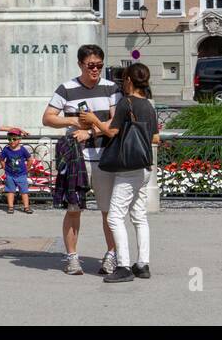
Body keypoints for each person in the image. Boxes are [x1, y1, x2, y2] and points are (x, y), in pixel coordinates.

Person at [43, 44, 119, 276]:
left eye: (99, 65)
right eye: (91, 66)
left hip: (105, 156)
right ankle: (72, 257)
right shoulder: (67, 89)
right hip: (77, 158)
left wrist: (92, 131)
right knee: (74, 209)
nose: (95, 70)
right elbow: (47, 118)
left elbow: (115, 124)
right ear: (80, 64)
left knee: (109, 211)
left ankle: (111, 255)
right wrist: (73, 122)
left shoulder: (111, 88)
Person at [81, 62, 160, 283]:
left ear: (129, 81)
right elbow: (155, 138)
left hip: (127, 168)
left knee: (115, 217)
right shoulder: (149, 105)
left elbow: (111, 131)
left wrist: (93, 120)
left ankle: (123, 266)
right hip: (144, 167)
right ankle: (142, 264)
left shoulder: (127, 103)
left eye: (124, 79)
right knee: (138, 216)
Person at [0, 132, 34, 214]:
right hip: (10, 174)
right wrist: (4, 167)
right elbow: (1, 159)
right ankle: (10, 207)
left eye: (14, 139)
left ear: (19, 140)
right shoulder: (6, 149)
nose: (12, 141)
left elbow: (29, 159)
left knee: (24, 191)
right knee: (10, 191)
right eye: (9, 139)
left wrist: (27, 169)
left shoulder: (22, 150)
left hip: (21, 174)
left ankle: (26, 207)